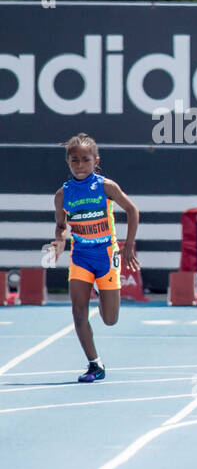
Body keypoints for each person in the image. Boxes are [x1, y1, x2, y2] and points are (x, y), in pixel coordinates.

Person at [44, 133, 141, 383]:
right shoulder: (62, 195)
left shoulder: (106, 187)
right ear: (68, 162)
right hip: (81, 257)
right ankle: (94, 364)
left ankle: (103, 295)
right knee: (78, 313)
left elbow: (132, 210)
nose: (79, 165)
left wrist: (128, 246)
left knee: (110, 319)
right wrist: (60, 243)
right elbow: (61, 226)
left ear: (96, 161)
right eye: (74, 160)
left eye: (85, 160)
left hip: (106, 255)